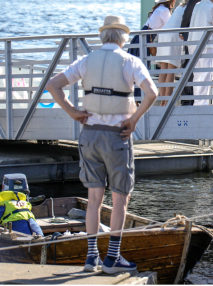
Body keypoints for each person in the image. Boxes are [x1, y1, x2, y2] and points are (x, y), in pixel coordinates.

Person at [46, 16, 158, 274]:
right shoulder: (131, 61)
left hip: (89, 135)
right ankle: (113, 258)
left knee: (94, 198)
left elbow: (53, 86)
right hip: (116, 137)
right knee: (120, 198)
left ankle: (91, 257)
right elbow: (152, 93)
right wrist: (134, 119)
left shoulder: (86, 61)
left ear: (103, 37)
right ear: (123, 38)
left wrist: (73, 112)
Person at [157, 0, 188, 106]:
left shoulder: (180, 6)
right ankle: (167, 102)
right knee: (171, 70)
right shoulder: (191, 7)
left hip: (164, 34)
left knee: (163, 69)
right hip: (173, 35)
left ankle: (162, 101)